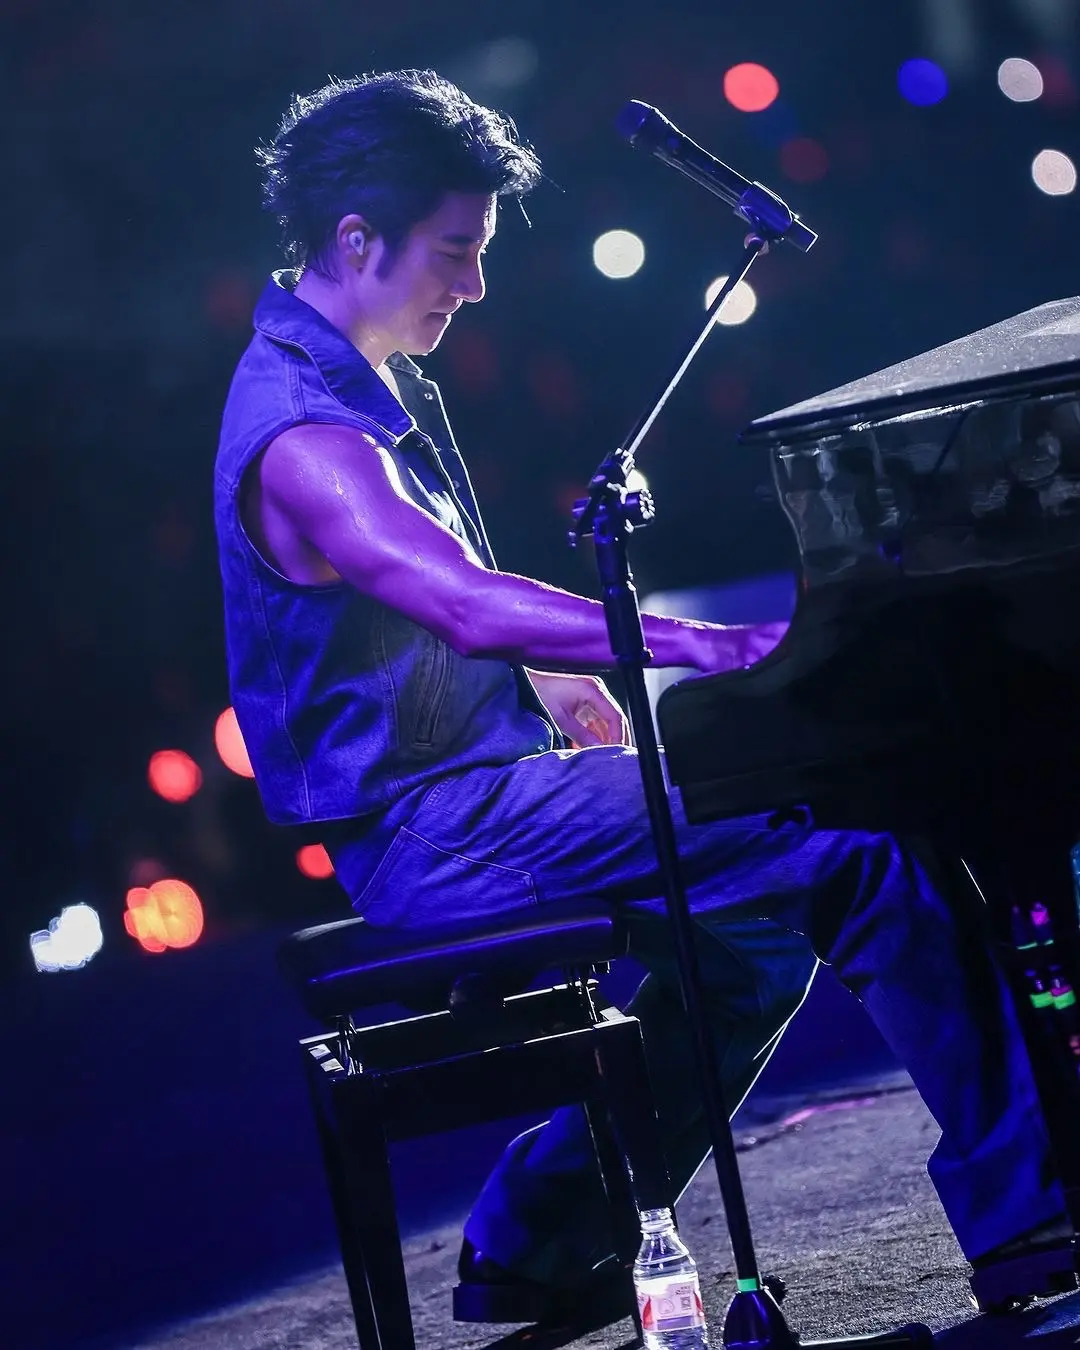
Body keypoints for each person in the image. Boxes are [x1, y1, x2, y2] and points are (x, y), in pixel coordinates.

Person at [215, 68, 1070, 1323]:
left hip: (475, 792)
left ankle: (532, 1238)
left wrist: (555, 677)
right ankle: (1035, 1215)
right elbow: (460, 600)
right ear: (357, 241)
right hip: (432, 831)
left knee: (750, 952)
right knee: (851, 835)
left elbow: (415, 609)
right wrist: (697, 645)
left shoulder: (368, 375)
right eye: (455, 251)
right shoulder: (306, 432)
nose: (475, 285)